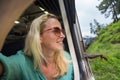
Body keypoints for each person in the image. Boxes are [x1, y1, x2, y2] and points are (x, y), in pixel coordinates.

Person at [0, 13, 74, 80]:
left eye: (62, 31)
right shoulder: (22, 62)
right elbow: (8, 65)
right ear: (39, 37)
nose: (63, 36)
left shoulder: (67, 58)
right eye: (56, 30)